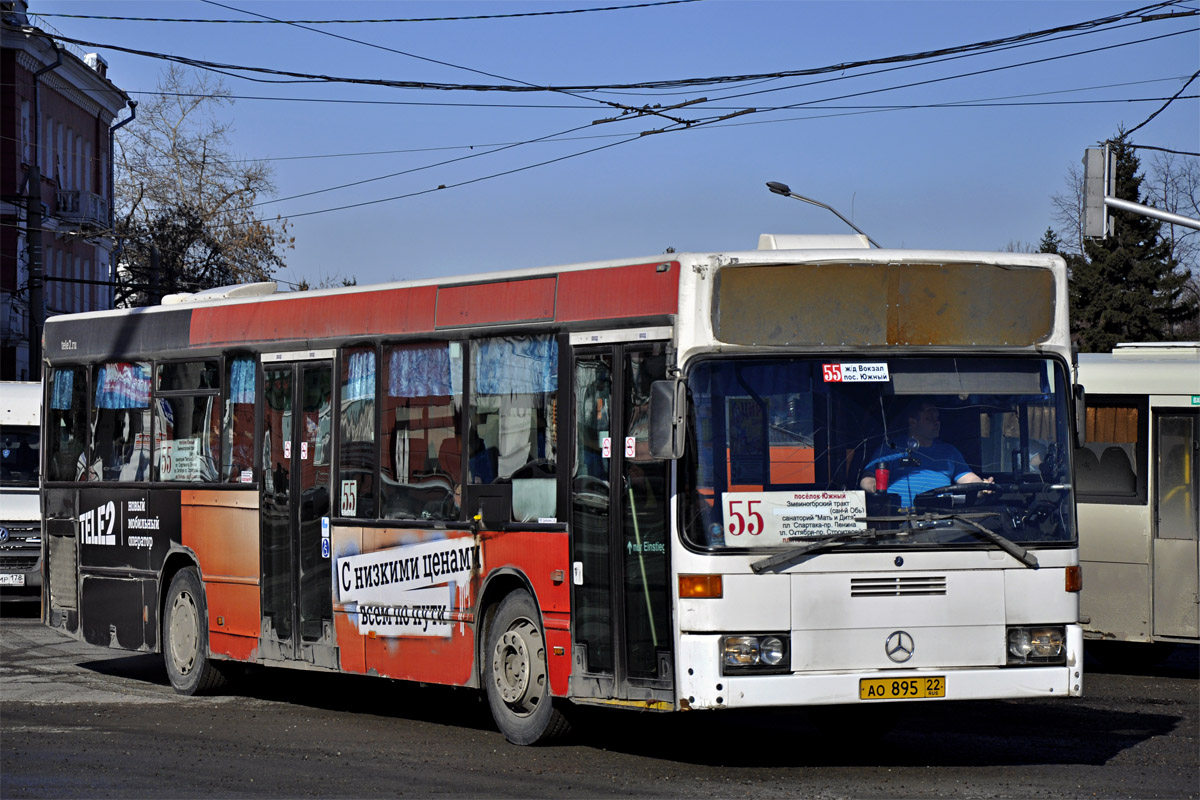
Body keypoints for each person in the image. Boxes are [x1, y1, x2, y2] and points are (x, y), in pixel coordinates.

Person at [860, 399, 992, 508]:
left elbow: (969, 479)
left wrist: (983, 486)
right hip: (897, 522)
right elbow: (867, 479)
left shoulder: (949, 452)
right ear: (913, 422)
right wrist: (875, 487)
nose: (937, 423)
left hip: (942, 523)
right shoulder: (890, 448)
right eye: (929, 418)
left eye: (937, 418)